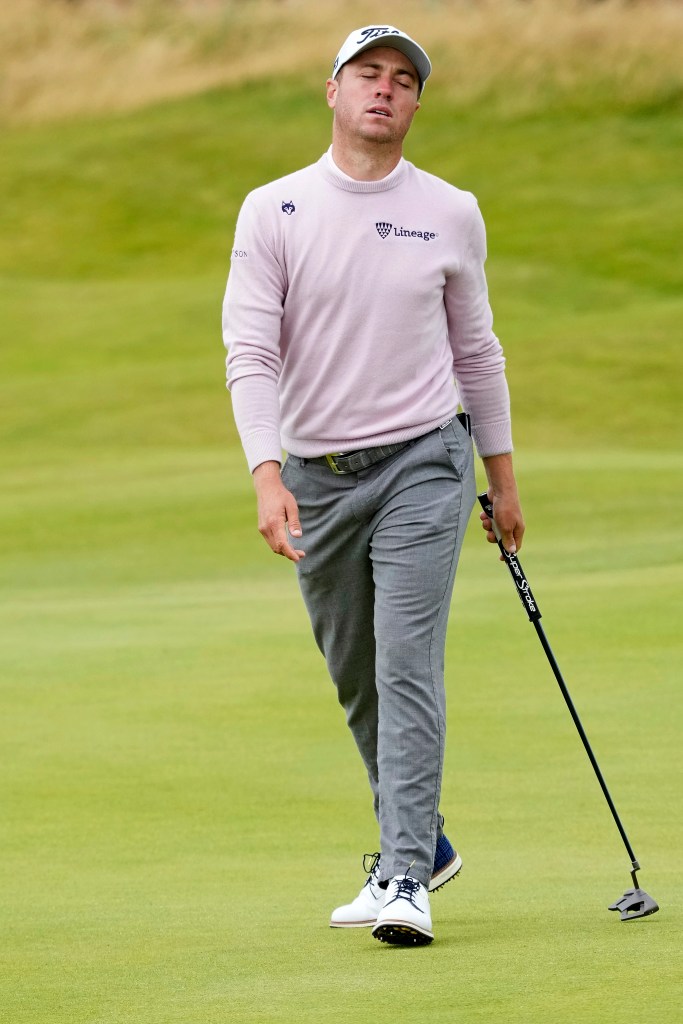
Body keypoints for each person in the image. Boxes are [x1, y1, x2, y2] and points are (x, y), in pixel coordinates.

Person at [222, 24, 524, 947]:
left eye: (402, 80)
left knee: (404, 666)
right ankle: (422, 845)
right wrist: (267, 474)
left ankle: (402, 878)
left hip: (423, 464)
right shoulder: (273, 209)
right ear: (333, 91)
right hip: (315, 476)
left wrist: (500, 480)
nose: (384, 90)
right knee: (357, 677)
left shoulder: (449, 210)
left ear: (416, 105)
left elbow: (476, 349)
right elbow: (252, 350)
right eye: (368, 74)